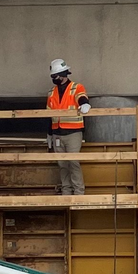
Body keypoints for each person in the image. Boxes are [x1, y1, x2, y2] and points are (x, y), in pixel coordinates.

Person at [45, 59, 91, 196]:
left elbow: (81, 97)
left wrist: (84, 104)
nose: (54, 79)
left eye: (55, 76)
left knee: (73, 162)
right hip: (57, 133)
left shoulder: (76, 87)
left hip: (73, 133)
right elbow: (49, 114)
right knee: (62, 164)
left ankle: (78, 192)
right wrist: (49, 133)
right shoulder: (51, 92)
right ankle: (66, 191)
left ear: (63, 74)